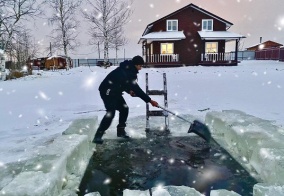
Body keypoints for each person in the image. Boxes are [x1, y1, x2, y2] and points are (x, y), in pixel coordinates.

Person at [93, 55, 159, 144]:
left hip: (115, 91)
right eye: (140, 66)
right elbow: (137, 89)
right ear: (135, 65)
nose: (141, 68)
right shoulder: (127, 72)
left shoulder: (129, 70)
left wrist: (129, 91)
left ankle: (121, 131)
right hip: (107, 91)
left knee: (124, 109)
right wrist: (150, 101)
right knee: (111, 113)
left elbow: (124, 83)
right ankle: (98, 136)